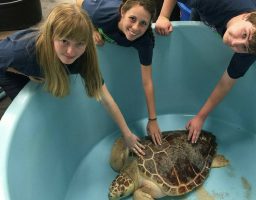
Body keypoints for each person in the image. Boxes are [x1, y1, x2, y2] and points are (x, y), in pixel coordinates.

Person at [0, 3, 146, 156]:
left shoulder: (84, 58)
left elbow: (106, 98)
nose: (71, 52)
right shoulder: (22, 52)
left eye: (79, 44)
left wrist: (127, 134)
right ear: (51, 36)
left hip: (38, 64)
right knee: (32, 115)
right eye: (64, 41)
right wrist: (24, 73)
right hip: (8, 69)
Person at [155, 0, 256, 143]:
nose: (234, 43)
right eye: (244, 34)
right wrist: (164, 16)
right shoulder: (216, 3)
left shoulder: (253, 46)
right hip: (213, 6)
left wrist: (201, 117)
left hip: (221, 14)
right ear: (247, 17)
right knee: (197, 14)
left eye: (244, 48)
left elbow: (226, 82)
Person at [77, 0, 163, 145]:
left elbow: (147, 81)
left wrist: (153, 119)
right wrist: (91, 29)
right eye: (132, 19)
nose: (136, 28)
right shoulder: (100, 14)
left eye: (143, 23)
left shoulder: (145, 41)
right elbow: (79, 4)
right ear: (123, 12)